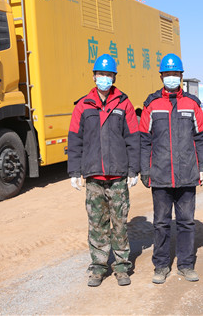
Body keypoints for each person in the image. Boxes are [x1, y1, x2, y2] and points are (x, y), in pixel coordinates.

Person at [67, 54, 140, 287]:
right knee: (97, 223)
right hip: (93, 176)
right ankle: (98, 267)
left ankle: (121, 267)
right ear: (94, 76)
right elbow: (75, 140)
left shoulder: (124, 104)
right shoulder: (83, 105)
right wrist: (74, 171)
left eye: (109, 75)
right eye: (101, 74)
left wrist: (133, 170)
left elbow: (133, 138)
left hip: (118, 175)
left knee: (119, 223)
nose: (104, 79)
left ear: (114, 77)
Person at [139, 53, 203, 284]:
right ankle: (161, 266)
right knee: (161, 223)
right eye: (167, 74)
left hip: (187, 174)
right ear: (161, 76)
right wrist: (144, 169)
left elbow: (202, 136)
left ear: (181, 76)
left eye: (175, 74)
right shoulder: (152, 105)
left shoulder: (192, 104)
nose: (171, 77)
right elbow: (144, 140)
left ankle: (186, 265)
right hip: (160, 175)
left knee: (186, 222)